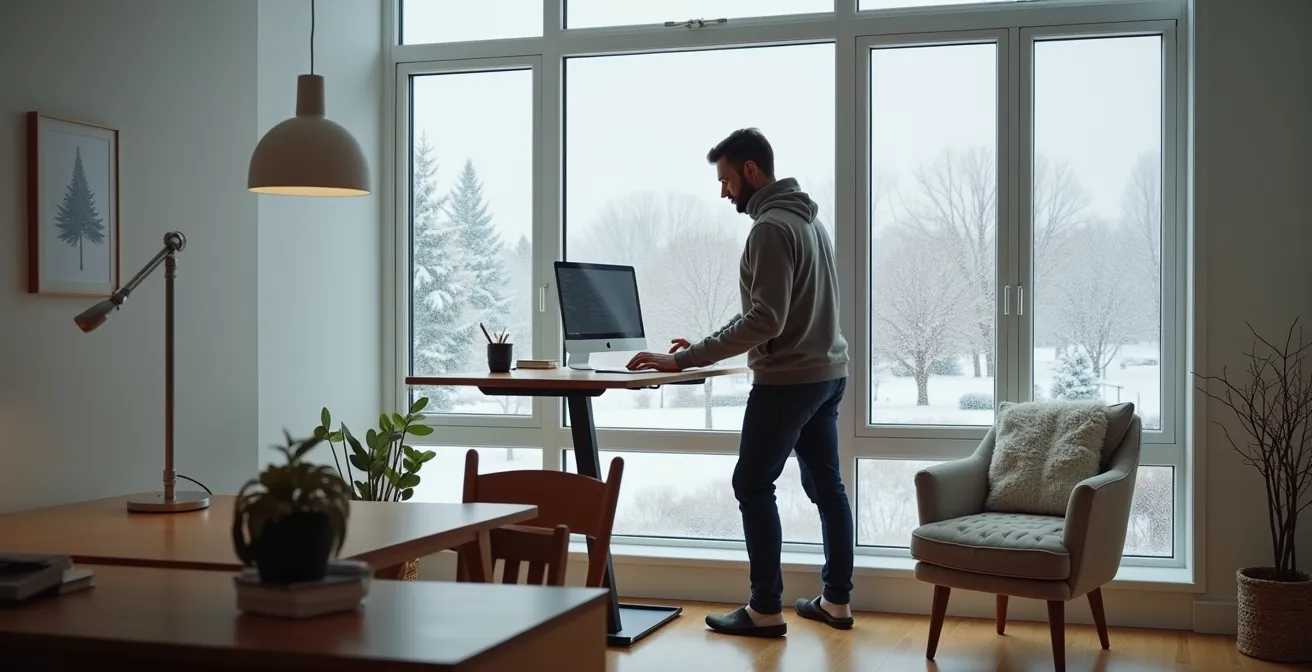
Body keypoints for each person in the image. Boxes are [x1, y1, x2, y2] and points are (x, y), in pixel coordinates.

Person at [626, 128, 854, 637]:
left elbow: (765, 320)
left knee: (751, 484)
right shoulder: (810, 222)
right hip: (827, 375)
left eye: (726, 180)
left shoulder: (770, 228)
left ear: (751, 170)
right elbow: (768, 310)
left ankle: (765, 609)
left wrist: (684, 361)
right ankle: (837, 601)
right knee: (828, 488)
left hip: (789, 381)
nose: (724, 191)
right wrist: (701, 347)